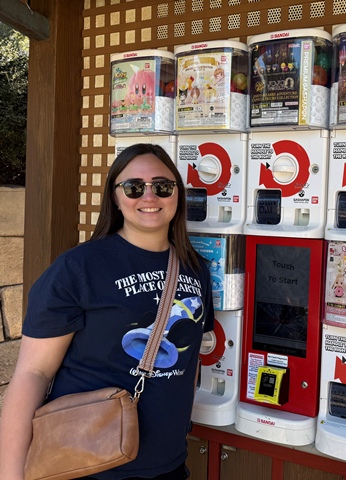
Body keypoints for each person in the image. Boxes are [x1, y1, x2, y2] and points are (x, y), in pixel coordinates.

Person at [0, 143, 215, 480]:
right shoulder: (78, 267)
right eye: (134, 187)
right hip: (84, 463)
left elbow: (190, 361)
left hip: (167, 464)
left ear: (177, 194)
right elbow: (33, 373)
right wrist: (11, 474)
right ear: (115, 197)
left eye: (162, 186)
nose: (149, 196)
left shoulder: (194, 268)